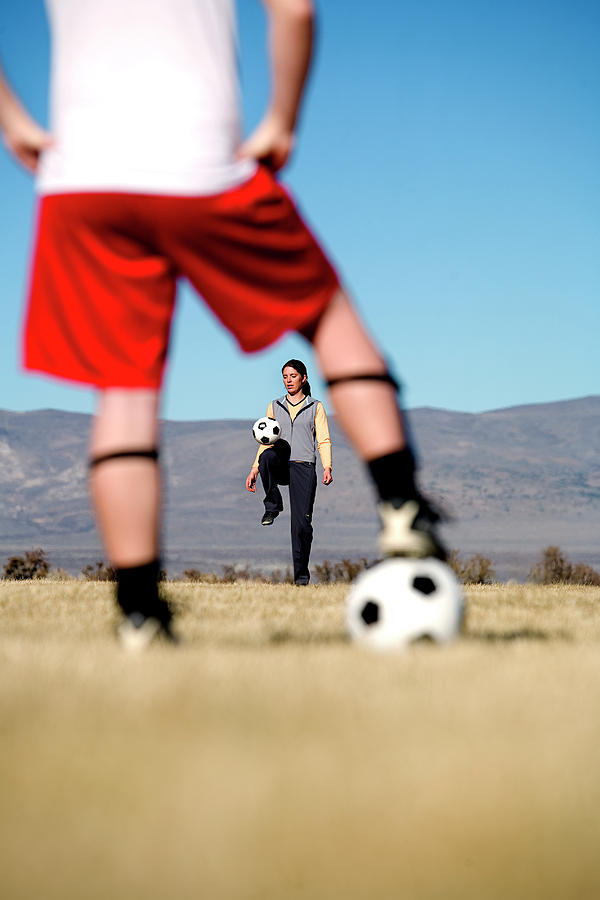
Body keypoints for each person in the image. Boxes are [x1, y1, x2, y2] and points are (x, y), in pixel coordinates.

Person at [0, 0, 445, 648]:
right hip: (203, 163)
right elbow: (294, 10)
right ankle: (402, 505)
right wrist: (282, 120)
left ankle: (139, 615)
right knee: (327, 317)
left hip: (84, 178)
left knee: (124, 389)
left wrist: (12, 121)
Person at [246, 359, 333, 586]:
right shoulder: (274, 406)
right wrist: (255, 468)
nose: (288, 381)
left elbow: (323, 439)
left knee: (301, 525)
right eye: (285, 377)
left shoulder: (316, 406)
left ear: (304, 378)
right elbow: (265, 441)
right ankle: (272, 506)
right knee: (267, 456)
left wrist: (327, 466)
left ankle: (301, 579)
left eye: (293, 376)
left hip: (304, 467)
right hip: (281, 463)